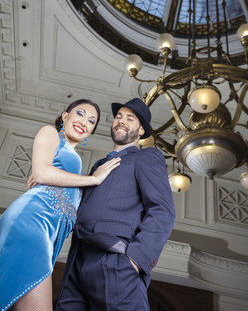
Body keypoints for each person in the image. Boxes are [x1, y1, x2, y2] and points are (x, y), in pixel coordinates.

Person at [0, 99, 121, 311]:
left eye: (91, 121)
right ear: (65, 116)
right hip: (33, 223)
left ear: (91, 131)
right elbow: (41, 173)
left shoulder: (75, 165)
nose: (84, 121)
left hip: (48, 234)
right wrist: (93, 179)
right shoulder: (50, 133)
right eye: (80, 113)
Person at [56, 97, 176, 311]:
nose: (121, 121)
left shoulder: (147, 157)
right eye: (119, 116)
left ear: (141, 131)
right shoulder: (98, 166)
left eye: (130, 119)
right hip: (77, 259)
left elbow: (162, 211)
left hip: (114, 261)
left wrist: (135, 260)